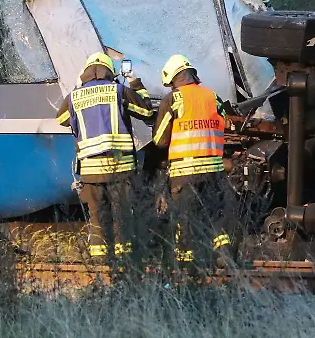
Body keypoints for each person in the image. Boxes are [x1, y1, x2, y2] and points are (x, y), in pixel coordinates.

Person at [55, 52, 154, 261]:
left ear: (86, 72)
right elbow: (146, 112)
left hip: (91, 172)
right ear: (110, 72)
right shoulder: (118, 90)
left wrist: (76, 90)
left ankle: (100, 266)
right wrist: (135, 82)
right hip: (120, 168)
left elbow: (62, 119)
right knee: (121, 217)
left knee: (97, 218)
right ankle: (125, 264)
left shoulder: (75, 97)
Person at [152, 54, 235, 268]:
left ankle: (187, 268)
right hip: (214, 170)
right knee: (215, 215)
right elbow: (224, 123)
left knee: (185, 219)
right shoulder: (213, 97)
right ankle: (224, 254)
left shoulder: (174, 99)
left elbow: (160, 140)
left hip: (185, 172)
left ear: (173, 79)